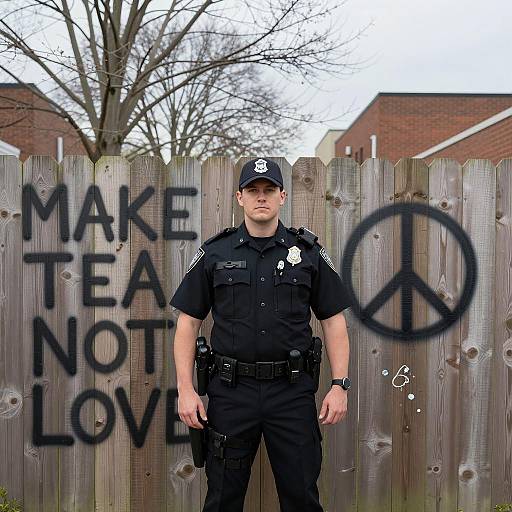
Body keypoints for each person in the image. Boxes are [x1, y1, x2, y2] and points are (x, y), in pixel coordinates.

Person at [169, 157, 352, 512]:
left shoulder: (308, 254)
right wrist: (186, 389)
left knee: (301, 495)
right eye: (253, 190)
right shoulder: (215, 253)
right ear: (240, 197)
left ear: (283, 196)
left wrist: (339, 385)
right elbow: (188, 323)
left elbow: (333, 321)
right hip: (231, 393)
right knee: (223, 497)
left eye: (269, 190)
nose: (261, 197)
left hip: (292, 393)